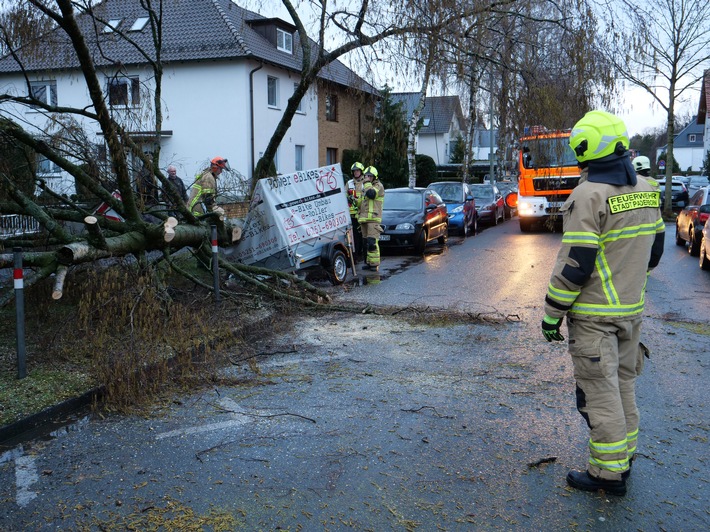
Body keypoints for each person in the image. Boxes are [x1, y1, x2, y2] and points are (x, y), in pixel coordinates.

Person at [541, 110, 665, 496]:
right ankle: (624, 458)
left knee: (599, 392)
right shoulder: (647, 188)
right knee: (624, 386)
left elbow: (575, 267)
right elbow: (656, 251)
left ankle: (607, 475)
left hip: (595, 317)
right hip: (631, 311)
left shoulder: (588, 195)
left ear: (585, 151)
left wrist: (551, 315)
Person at [357, 165, 385, 271]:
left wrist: (367, 183)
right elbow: (362, 203)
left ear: (374, 177)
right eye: (366, 175)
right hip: (364, 219)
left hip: (374, 219)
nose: (367, 177)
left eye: (370, 176)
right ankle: (368, 262)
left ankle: (374, 264)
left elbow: (371, 194)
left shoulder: (378, 186)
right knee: (365, 243)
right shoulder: (365, 186)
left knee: (372, 242)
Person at [346, 162, 366, 261]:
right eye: (354, 171)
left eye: (357, 171)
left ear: (361, 172)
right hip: (352, 215)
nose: (356, 173)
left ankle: (362, 254)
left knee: (362, 235)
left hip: (362, 213)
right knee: (353, 237)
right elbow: (345, 196)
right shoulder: (349, 183)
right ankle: (355, 255)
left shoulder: (365, 183)